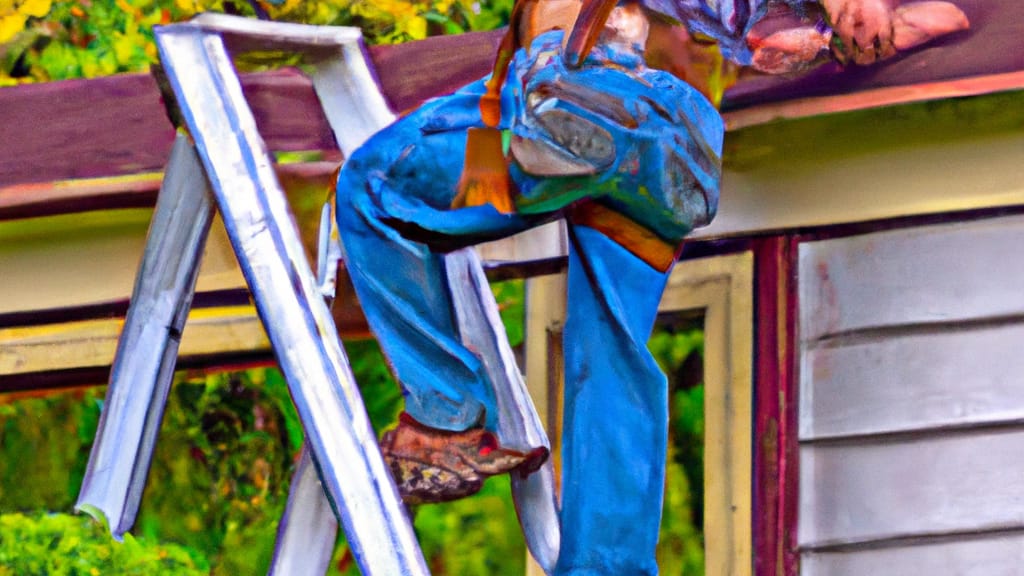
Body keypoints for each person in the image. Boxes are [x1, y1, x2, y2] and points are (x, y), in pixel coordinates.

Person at [335, 0, 967, 573]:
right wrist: (854, 25)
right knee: (611, 344)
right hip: (667, 146)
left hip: (575, 108)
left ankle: (446, 419)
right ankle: (608, 566)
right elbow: (778, 35)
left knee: (371, 186)